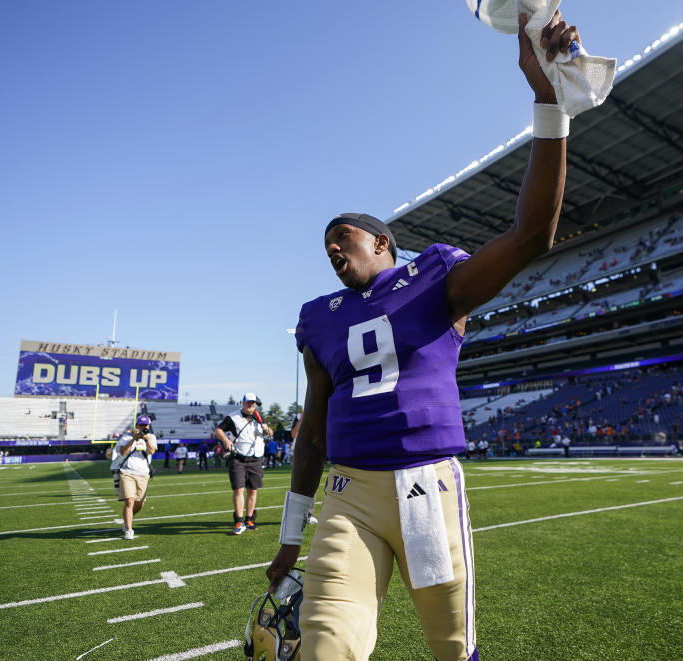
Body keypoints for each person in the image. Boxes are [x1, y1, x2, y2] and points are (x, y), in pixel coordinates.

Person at [267, 12, 582, 660]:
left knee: (451, 647)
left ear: (383, 241)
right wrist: (289, 536)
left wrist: (549, 101)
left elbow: (531, 237)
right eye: (324, 244)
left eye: (342, 236)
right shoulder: (319, 316)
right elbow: (313, 430)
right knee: (325, 645)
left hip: (424, 488)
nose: (330, 248)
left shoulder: (434, 273)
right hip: (348, 493)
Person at [215, 393, 271, 534]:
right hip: (238, 458)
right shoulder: (233, 417)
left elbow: (270, 433)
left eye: (254, 403)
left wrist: (267, 429)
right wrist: (225, 440)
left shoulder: (260, 417)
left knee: (253, 490)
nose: (251, 405)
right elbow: (218, 430)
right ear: (243, 403)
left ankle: (249, 519)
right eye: (249, 402)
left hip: (256, 458)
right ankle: (239, 521)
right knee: (238, 489)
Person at [112, 415, 157, 540]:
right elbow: (123, 452)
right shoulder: (126, 437)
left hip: (143, 473)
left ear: (148, 426)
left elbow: (152, 451)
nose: (143, 428)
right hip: (127, 472)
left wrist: (146, 439)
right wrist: (133, 439)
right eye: (140, 425)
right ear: (136, 425)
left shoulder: (151, 437)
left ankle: (127, 520)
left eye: (145, 426)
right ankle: (129, 529)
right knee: (129, 501)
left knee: (140, 503)